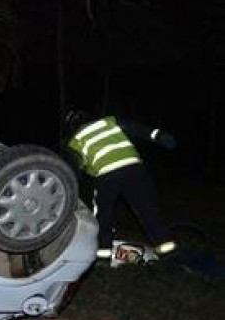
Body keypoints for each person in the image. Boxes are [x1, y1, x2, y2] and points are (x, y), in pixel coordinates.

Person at [64, 110, 178, 264]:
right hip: (134, 169)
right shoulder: (109, 122)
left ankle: (103, 252)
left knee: (104, 214)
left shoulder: (76, 141)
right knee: (146, 207)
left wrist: (73, 189)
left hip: (106, 175)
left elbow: (77, 169)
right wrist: (159, 136)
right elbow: (137, 129)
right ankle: (165, 245)